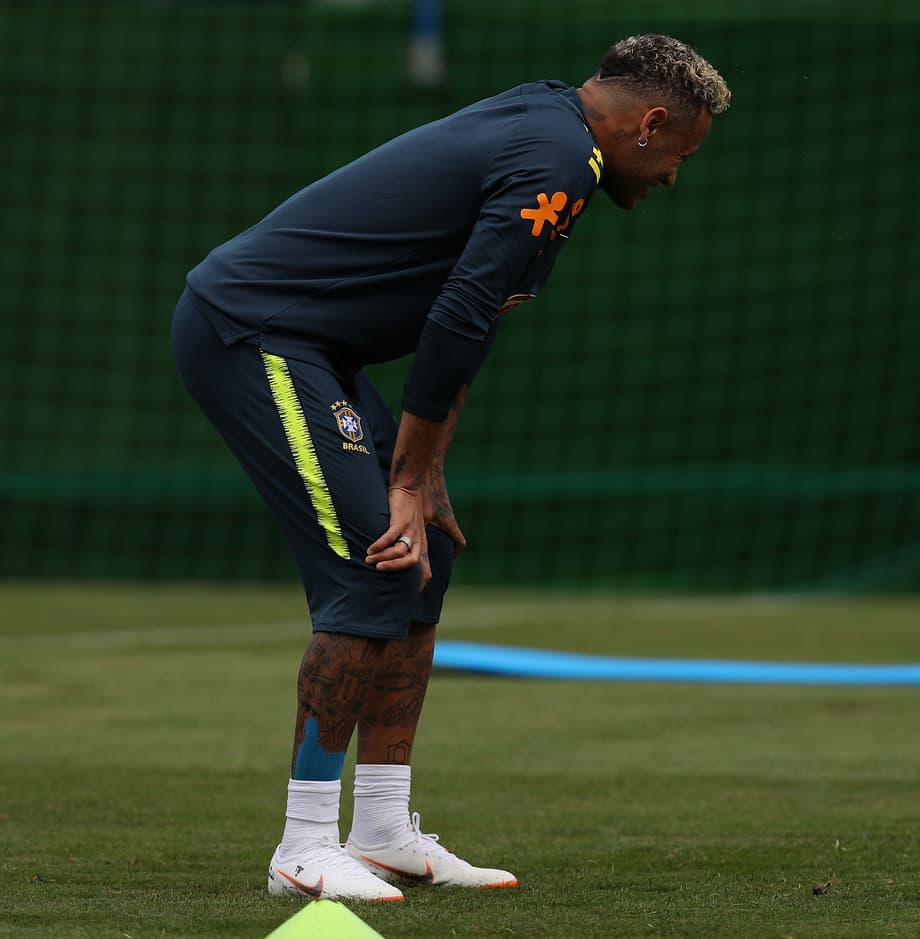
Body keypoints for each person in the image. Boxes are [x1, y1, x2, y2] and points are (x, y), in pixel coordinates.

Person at [171, 34, 731, 902]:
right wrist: (399, 479)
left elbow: (476, 311)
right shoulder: (559, 157)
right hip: (254, 330)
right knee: (377, 552)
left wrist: (421, 476)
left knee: (426, 549)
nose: (672, 177)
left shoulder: (557, 128)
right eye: (680, 155)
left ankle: (385, 829)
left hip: (318, 343)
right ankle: (304, 843)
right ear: (651, 122)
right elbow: (462, 314)